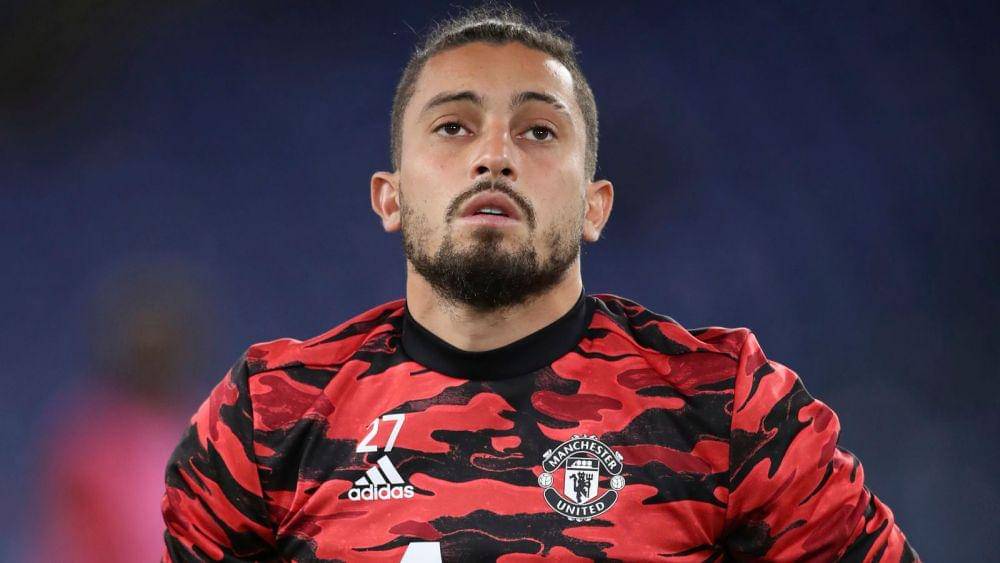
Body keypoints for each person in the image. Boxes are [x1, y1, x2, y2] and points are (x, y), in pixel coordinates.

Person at [161, 6, 919, 562]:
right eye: (453, 126)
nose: (494, 155)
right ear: (389, 197)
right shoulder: (267, 416)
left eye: (538, 131)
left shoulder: (728, 408)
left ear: (595, 206)